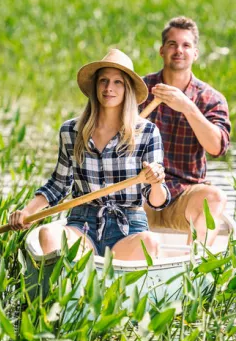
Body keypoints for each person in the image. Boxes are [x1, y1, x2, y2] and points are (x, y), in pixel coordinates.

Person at [9, 49, 170, 260]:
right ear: (95, 86)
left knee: (150, 242)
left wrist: (156, 181)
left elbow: (157, 201)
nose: (109, 88)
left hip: (129, 226)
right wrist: (27, 211)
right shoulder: (71, 131)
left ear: (127, 89)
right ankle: (71, 287)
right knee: (47, 233)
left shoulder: (147, 132)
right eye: (103, 81)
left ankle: (110, 282)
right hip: (82, 224)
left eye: (117, 82)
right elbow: (58, 185)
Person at [139, 17, 231, 245]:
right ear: (162, 50)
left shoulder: (211, 98)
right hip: (141, 190)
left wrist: (187, 107)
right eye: (172, 44)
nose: (179, 50)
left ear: (195, 53)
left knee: (215, 198)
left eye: (186, 45)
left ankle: (193, 269)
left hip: (183, 195)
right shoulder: (139, 90)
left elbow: (216, 147)